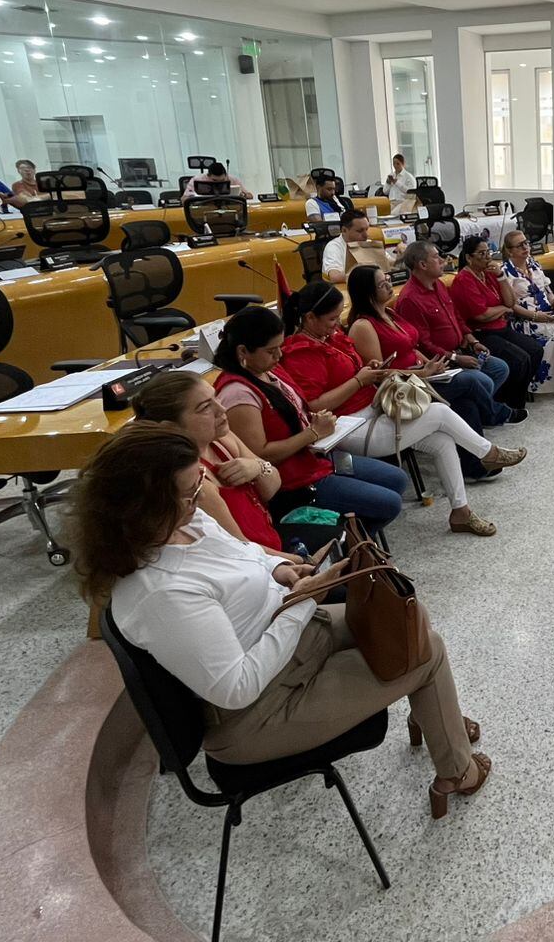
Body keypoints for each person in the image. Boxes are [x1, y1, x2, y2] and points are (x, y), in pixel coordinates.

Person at [76, 425, 491, 816]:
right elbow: (236, 689)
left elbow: (244, 555)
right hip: (259, 712)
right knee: (424, 651)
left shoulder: (184, 523)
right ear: (143, 508)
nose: (200, 497)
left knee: (406, 620)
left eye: (198, 484)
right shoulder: (160, 594)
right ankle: (457, 771)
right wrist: (301, 600)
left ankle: (435, 716)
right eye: (189, 492)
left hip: (285, 640)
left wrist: (280, 573)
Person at [279, 280, 523, 535]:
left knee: (441, 440)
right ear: (309, 317)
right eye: (331, 318)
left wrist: (368, 370)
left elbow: (351, 371)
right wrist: (358, 380)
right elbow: (314, 405)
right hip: (345, 428)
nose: (336, 323)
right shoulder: (301, 352)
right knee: (439, 412)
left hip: (371, 411)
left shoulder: (330, 337)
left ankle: (461, 512)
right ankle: (487, 453)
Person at [213, 305, 410, 531]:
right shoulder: (238, 394)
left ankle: (351, 534)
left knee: (397, 479)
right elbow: (261, 455)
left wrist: (313, 422)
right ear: (243, 352)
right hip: (295, 480)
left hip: (316, 456)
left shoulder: (268, 370)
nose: (279, 356)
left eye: (279, 347)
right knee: (389, 503)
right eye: (271, 351)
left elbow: (299, 406)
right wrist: (312, 433)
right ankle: (345, 542)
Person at [346, 263, 515, 476]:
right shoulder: (363, 326)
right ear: (368, 293)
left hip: (421, 376)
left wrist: (429, 365)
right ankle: (495, 415)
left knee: (466, 403)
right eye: (382, 284)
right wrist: (423, 373)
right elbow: (379, 375)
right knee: (471, 381)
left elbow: (410, 346)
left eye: (388, 279)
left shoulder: (389, 313)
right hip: (402, 389)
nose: (390, 285)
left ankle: (475, 465)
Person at [131, 371, 287, 552]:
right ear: (171, 427)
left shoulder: (221, 438)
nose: (221, 409)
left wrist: (257, 467)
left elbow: (273, 487)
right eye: (205, 407)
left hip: (272, 541)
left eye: (216, 398)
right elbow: (240, 547)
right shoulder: (192, 479)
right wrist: (302, 562)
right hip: (256, 561)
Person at [395, 241, 533, 415]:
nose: (443, 260)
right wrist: (456, 358)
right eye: (437, 257)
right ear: (423, 265)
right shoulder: (410, 299)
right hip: (439, 361)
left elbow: (457, 317)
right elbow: (422, 344)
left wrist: (472, 340)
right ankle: (495, 413)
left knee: (500, 368)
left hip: (462, 347)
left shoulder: (438, 285)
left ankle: (481, 409)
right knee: (484, 379)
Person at [498, 229, 554, 399]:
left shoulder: (534, 264)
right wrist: (535, 316)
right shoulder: (505, 272)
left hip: (549, 313)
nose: (526, 247)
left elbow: (547, 290)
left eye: (526, 243)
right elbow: (510, 305)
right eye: (520, 245)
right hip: (527, 320)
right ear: (510, 251)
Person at [449, 235, 547, 393]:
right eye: (482, 254)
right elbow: (482, 315)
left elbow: (511, 301)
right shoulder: (464, 280)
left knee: (535, 350)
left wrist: (501, 277)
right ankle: (508, 400)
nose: (487, 257)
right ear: (468, 257)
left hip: (501, 326)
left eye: (488, 252)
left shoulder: (488, 273)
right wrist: (503, 309)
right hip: (481, 332)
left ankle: (519, 394)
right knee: (519, 359)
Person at [319, 207, 375, 283]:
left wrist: (397, 258)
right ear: (344, 230)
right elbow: (335, 277)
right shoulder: (333, 247)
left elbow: (388, 263)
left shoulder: (367, 242)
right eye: (360, 231)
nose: (366, 235)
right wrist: (368, 275)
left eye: (367, 229)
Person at [183, 161, 251, 200]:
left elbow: (250, 195)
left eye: (222, 180)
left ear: (226, 175)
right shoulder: (197, 180)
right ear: (208, 175)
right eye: (214, 180)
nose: (219, 183)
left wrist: (243, 196)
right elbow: (184, 199)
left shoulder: (232, 179)